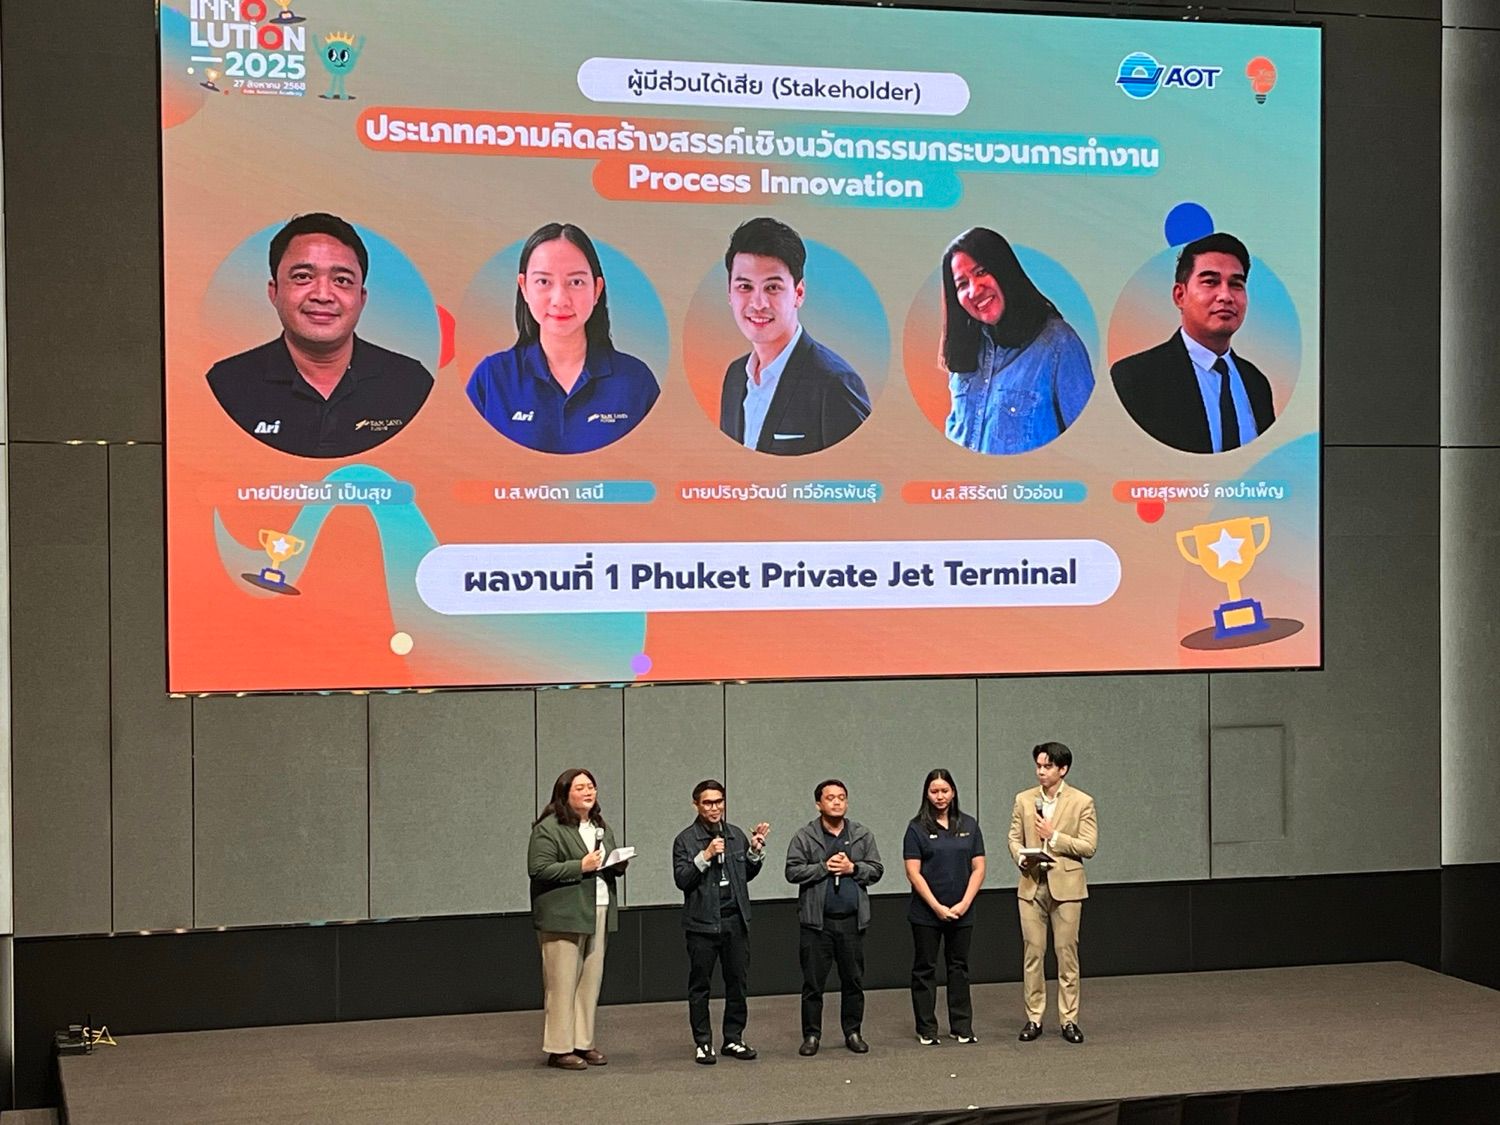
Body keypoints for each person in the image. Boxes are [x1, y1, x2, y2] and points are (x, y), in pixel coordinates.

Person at [207, 212, 434, 458]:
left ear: (361, 298)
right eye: (303, 277)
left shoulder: (411, 383)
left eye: (342, 280)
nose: (323, 295)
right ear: (274, 292)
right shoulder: (225, 384)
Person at [467, 223, 659, 454]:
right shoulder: (492, 378)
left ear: (596, 289)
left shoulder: (636, 380)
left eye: (576, 282)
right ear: (524, 288)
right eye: (543, 282)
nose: (560, 300)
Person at [1110, 231, 1276, 453]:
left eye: (1236, 284)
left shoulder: (1256, 383)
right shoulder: (1135, 378)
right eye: (1211, 282)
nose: (1226, 296)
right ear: (1180, 295)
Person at [719, 217, 871, 455]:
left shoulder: (833, 383)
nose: (758, 304)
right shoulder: (735, 376)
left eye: (772, 287)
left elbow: (863, 469)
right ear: (730, 294)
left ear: (798, 294)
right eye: (745, 287)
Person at [940, 227, 1094, 455]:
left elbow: (1088, 444)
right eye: (962, 284)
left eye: (981, 272)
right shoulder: (966, 349)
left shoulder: (1059, 345)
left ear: (1004, 270)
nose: (974, 291)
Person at [527, 768, 627, 1071]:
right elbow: (538, 869)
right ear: (564, 794)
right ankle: (559, 1048)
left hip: (598, 908)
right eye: (580, 787)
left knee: (589, 982)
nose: (588, 792)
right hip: (564, 915)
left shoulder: (600, 826)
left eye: (591, 786)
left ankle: (583, 1042)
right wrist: (579, 866)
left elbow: (605, 860)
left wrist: (617, 863)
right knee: (561, 985)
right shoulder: (549, 828)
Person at [671, 779, 772, 1065]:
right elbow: (682, 879)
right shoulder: (686, 840)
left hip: (735, 921)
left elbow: (745, 874)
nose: (714, 808)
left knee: (737, 983)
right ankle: (703, 1042)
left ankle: (733, 1038)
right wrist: (705, 855)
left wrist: (755, 851)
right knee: (700, 986)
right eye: (708, 803)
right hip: (702, 923)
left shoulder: (735, 834)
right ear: (696, 805)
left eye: (719, 802)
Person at [1007, 742, 1098, 1045]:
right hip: (1032, 884)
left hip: (1066, 886)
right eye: (1038, 766)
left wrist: (1054, 837)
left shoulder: (1082, 801)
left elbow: (1089, 846)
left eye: (1047, 766)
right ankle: (1034, 1017)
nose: (1041, 772)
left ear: (1063, 769)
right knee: (1033, 953)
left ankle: (1069, 1019)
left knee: (1066, 954)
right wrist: (1021, 856)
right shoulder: (1024, 799)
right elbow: (1014, 837)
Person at [785, 779, 883, 1055]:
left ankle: (853, 1031)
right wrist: (823, 868)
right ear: (819, 804)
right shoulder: (805, 836)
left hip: (852, 921)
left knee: (853, 981)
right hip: (817, 923)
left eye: (841, 797)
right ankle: (811, 1035)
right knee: (813, 984)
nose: (837, 802)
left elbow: (876, 869)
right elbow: (792, 871)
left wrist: (853, 868)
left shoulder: (861, 834)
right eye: (830, 798)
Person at [903, 769, 986, 1045]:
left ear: (953, 792)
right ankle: (926, 1028)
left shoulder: (969, 824)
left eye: (945, 791)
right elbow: (913, 872)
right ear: (927, 794)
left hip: (963, 910)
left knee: (959, 967)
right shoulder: (916, 828)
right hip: (926, 912)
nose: (940, 796)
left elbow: (978, 867)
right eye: (934, 791)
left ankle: (961, 1026)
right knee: (925, 968)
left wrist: (965, 903)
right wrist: (937, 906)